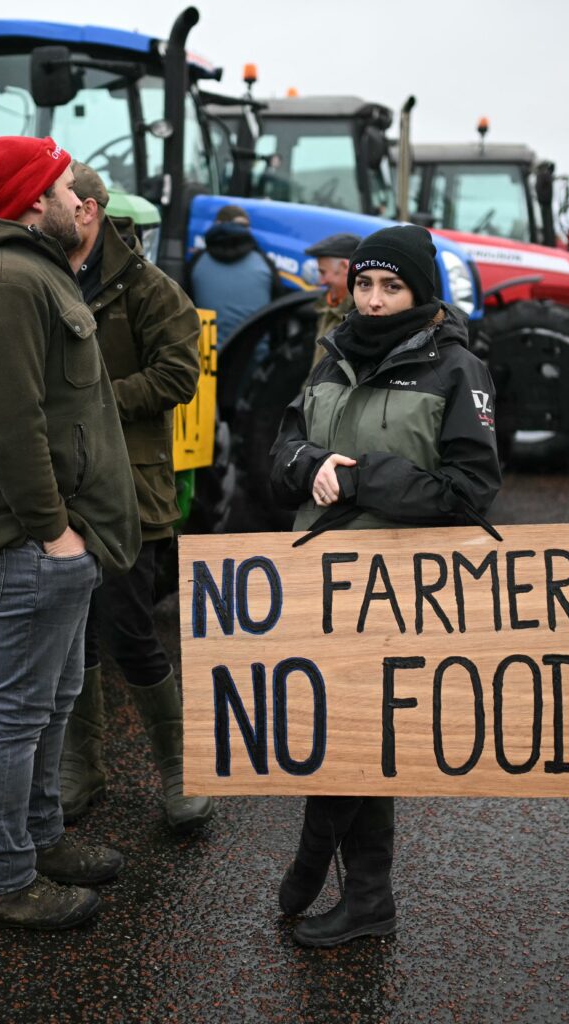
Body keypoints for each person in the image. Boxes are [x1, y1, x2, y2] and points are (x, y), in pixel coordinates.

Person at [269, 224, 502, 948]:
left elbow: (470, 490)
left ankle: (347, 883)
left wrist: (362, 477)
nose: (371, 300)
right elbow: (281, 449)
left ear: (419, 292)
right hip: (320, 578)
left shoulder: (456, 369)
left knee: (367, 737)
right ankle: (342, 880)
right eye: (364, 284)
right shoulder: (332, 355)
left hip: (401, 590)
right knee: (330, 730)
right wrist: (308, 463)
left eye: (390, 287)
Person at [0, 136, 142, 930]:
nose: (77, 200)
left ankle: (39, 841)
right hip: (31, 545)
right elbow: (8, 425)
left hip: (59, 540)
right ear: (34, 199)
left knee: (52, 703)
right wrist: (53, 531)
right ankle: (1, 881)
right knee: (14, 718)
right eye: (63, 188)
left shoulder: (37, 269)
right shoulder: (5, 281)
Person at [60, 162, 213, 831]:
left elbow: (177, 376)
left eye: (56, 199)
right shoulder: (43, 276)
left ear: (87, 210)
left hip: (130, 486)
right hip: (61, 485)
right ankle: (81, 765)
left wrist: (91, 402)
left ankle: (180, 768)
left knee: (129, 630)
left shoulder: (151, 290)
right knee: (70, 632)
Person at [189, 204, 283, 343]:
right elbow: (278, 314)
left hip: (207, 353)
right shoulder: (264, 263)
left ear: (217, 225)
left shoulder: (197, 261)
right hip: (252, 353)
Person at [304, 232, 361, 373]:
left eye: (323, 272)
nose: (321, 281)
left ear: (345, 267)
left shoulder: (361, 317)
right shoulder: (327, 307)